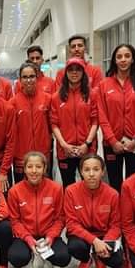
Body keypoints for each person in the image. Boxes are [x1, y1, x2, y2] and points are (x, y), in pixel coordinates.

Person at [7, 151, 70, 268]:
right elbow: (14, 221)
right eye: (30, 167)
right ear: (24, 169)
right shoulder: (14, 191)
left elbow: (60, 218)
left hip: (48, 235)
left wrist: (50, 237)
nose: (34, 171)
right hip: (25, 236)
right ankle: (28, 259)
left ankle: (47, 259)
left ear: (44, 168)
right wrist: (28, 239)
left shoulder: (56, 189)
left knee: (63, 257)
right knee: (17, 257)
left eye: (38, 167)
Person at [96, 44, 135, 191]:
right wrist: (112, 141)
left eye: (127, 56)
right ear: (114, 60)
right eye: (119, 57)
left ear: (133, 59)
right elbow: (102, 115)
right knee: (115, 183)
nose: (123, 60)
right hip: (111, 144)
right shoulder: (104, 84)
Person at [65, 154, 124, 268]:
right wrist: (94, 241)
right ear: (81, 172)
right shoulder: (71, 191)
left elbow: (116, 225)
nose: (91, 174)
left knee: (117, 261)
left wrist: (105, 243)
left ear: (102, 171)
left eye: (96, 169)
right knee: (74, 247)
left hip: (104, 236)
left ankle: (99, 258)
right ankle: (86, 260)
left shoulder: (113, 194)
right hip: (81, 236)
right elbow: (71, 224)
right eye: (87, 170)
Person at [51, 57, 98, 187]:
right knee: (68, 186)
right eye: (71, 70)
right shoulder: (56, 97)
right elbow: (54, 124)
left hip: (87, 148)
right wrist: (64, 145)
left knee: (89, 185)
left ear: (83, 72)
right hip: (65, 150)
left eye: (78, 69)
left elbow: (95, 121)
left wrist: (87, 144)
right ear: (66, 73)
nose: (74, 72)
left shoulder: (92, 95)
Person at [10, 62, 52, 182]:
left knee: (45, 188)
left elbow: (52, 126)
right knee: (21, 189)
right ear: (20, 80)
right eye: (25, 77)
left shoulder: (47, 99)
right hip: (21, 157)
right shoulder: (12, 103)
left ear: (37, 77)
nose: (28, 80)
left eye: (32, 76)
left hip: (42, 154)